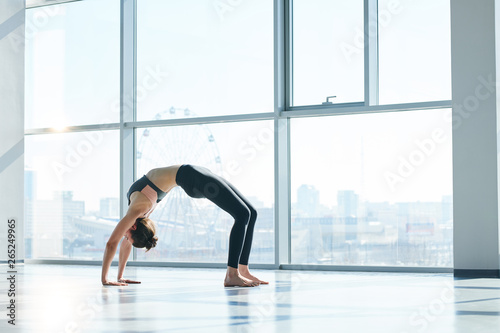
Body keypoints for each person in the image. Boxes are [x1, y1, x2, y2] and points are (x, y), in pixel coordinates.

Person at [101, 164, 268, 287]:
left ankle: (242, 270)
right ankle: (232, 274)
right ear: (135, 228)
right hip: (192, 178)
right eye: (127, 235)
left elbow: (112, 244)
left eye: (126, 235)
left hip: (194, 174)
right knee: (242, 214)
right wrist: (116, 277)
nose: (124, 235)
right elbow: (121, 243)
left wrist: (110, 278)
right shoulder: (139, 211)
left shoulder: (137, 211)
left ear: (134, 227)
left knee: (251, 213)